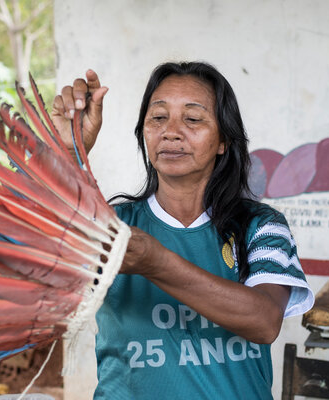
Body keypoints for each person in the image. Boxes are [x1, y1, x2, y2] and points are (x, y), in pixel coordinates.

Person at [52, 62, 314, 399]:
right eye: (158, 118)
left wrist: (155, 262)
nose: (171, 131)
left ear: (223, 141)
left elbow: (264, 322)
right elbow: (15, 256)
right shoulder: (111, 227)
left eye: (193, 119)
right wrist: (64, 155)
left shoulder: (260, 226)